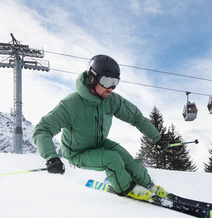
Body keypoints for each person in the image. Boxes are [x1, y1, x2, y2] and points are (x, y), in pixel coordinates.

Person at [33, 54, 169, 200]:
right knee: (113, 160)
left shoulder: (111, 100)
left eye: (115, 82)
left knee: (132, 164)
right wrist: (51, 158)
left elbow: (137, 118)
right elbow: (42, 129)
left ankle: (148, 185)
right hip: (77, 153)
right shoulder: (72, 104)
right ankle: (127, 189)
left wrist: (157, 138)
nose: (111, 88)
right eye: (106, 81)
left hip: (100, 144)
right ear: (92, 78)